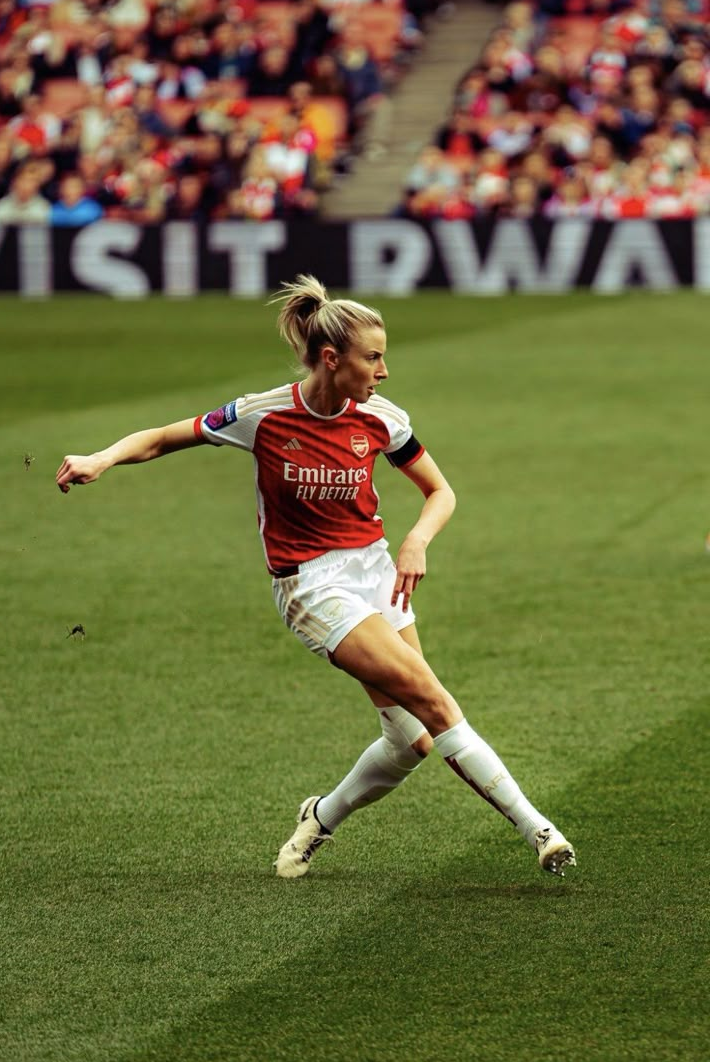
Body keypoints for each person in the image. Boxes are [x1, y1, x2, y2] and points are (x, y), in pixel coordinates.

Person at [56, 275, 576, 881]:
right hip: (312, 586)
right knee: (434, 701)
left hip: (377, 572)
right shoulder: (263, 414)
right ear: (332, 359)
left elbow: (440, 491)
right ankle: (538, 829)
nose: (384, 371)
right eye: (373, 357)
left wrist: (416, 540)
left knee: (412, 741)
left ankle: (319, 818)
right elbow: (164, 438)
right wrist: (102, 458)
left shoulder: (381, 418)